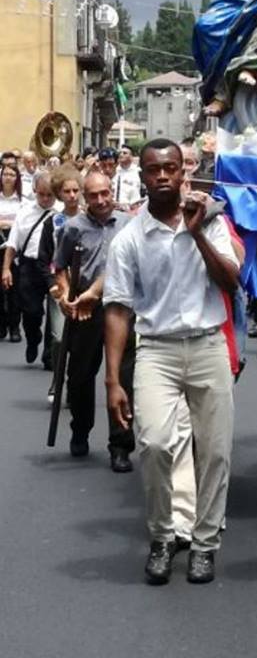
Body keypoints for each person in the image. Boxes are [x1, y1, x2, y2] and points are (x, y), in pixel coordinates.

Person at [103, 139, 239, 586]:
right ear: (141, 177)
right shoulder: (128, 239)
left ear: (184, 173)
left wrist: (197, 232)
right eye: (154, 169)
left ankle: (204, 545)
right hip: (157, 350)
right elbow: (119, 308)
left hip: (207, 345)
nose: (163, 176)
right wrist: (112, 381)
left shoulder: (211, 221)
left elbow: (230, 281)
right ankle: (162, 537)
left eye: (170, 168)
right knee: (156, 443)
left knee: (215, 451)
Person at [53, 171, 135, 469]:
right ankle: (80, 428)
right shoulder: (72, 228)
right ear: (84, 199)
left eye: (105, 193)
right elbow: (59, 267)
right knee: (80, 377)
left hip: (124, 308)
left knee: (124, 378)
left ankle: (121, 445)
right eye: (93, 196)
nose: (101, 200)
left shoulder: (129, 225)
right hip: (86, 311)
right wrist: (64, 296)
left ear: (111, 192)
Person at [37, 164, 82, 402]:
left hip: (84, 288)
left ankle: (76, 383)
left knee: (80, 342)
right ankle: (57, 378)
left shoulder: (89, 219)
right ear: (59, 194)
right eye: (67, 191)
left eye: (76, 190)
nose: (72, 196)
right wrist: (52, 285)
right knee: (58, 337)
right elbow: (43, 258)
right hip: (59, 287)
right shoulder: (52, 222)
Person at [2, 172, 55, 365]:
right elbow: (13, 243)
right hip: (30, 266)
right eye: (42, 194)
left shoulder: (62, 211)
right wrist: (6, 269)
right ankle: (33, 339)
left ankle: (50, 354)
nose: (46, 199)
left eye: (50, 194)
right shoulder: (25, 211)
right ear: (35, 192)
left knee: (55, 314)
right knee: (31, 312)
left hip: (54, 267)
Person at [0, 163, 24, 342]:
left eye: (12, 174)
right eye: (5, 174)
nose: (8, 177)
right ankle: (1, 325)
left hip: (14, 246)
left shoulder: (23, 201)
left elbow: (22, 225)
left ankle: (15, 326)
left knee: (14, 289)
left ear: (17, 179)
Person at [113, 144, 142, 209]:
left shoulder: (138, 172)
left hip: (130, 211)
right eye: (120, 153)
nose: (121, 155)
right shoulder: (114, 171)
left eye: (125, 153)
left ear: (131, 157)